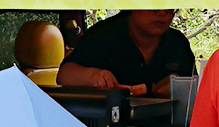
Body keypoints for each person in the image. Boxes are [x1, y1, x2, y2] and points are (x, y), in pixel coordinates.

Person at [57, 9, 196, 95]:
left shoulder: (177, 42)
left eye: (169, 7)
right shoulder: (103, 35)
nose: (162, 12)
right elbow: (64, 75)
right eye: (152, 5)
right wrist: (93, 76)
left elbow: (196, 88)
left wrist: (177, 87)